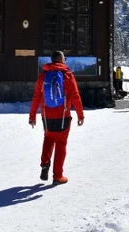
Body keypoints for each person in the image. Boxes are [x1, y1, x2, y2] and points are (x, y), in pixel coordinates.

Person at [29, 51, 85, 185]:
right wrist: (80, 115)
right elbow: (75, 96)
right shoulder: (67, 75)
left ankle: (45, 163)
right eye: (64, 58)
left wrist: (32, 116)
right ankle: (58, 176)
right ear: (61, 60)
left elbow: (36, 97)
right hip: (63, 116)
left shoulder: (43, 76)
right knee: (61, 144)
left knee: (48, 138)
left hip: (47, 116)